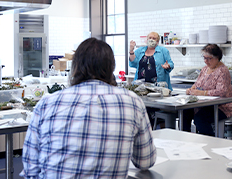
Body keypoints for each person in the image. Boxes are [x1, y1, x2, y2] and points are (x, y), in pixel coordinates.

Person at [21, 38, 156, 178]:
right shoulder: (132, 101)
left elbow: (30, 169)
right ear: (111, 67)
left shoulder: (46, 103)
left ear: (75, 67)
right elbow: (145, 161)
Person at [182, 44, 232, 136]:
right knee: (185, 112)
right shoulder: (205, 69)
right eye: (204, 58)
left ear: (217, 58)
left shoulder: (222, 71)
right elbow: (197, 83)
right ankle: (185, 139)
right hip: (203, 105)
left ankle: (209, 142)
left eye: (209, 58)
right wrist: (192, 89)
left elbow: (221, 92)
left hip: (222, 107)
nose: (205, 61)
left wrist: (202, 93)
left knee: (200, 118)